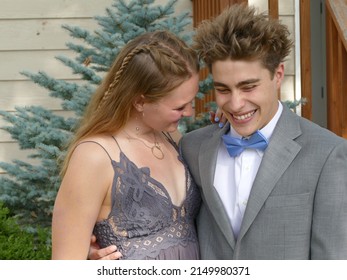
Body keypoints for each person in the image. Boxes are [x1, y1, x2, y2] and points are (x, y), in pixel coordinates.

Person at [88, 3, 347, 260]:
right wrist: (95, 258)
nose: (235, 104)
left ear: (278, 75)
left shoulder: (327, 154)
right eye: (223, 89)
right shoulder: (192, 147)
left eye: (248, 87)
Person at [51, 30, 201, 260]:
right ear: (140, 101)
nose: (190, 113)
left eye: (192, 101)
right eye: (179, 107)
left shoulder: (173, 139)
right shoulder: (94, 156)